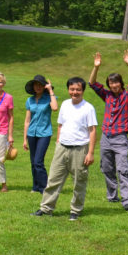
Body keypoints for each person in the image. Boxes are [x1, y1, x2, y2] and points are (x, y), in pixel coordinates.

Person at [33, 77, 97, 220]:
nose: (75, 92)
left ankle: (75, 210)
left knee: (79, 181)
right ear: (68, 90)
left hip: (80, 149)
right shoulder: (65, 104)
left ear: (83, 90)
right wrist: (57, 143)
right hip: (62, 147)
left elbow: (92, 131)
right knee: (53, 179)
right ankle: (46, 208)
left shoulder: (88, 108)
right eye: (72, 89)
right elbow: (60, 125)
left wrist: (91, 153)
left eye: (78, 89)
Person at [88, 49, 128, 211]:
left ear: (121, 83)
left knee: (122, 169)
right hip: (106, 138)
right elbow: (92, 83)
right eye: (111, 83)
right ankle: (112, 196)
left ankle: (127, 200)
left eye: (116, 82)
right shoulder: (107, 95)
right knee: (107, 168)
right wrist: (96, 67)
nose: (113, 85)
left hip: (120, 138)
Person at [22, 74, 58, 193]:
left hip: (44, 133)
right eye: (35, 85)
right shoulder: (30, 100)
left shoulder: (49, 98)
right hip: (32, 133)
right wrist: (24, 139)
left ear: (44, 86)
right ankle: (36, 186)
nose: (38, 87)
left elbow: (54, 108)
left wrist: (50, 90)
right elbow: (27, 121)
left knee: (38, 161)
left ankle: (45, 188)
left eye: (40, 85)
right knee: (33, 162)